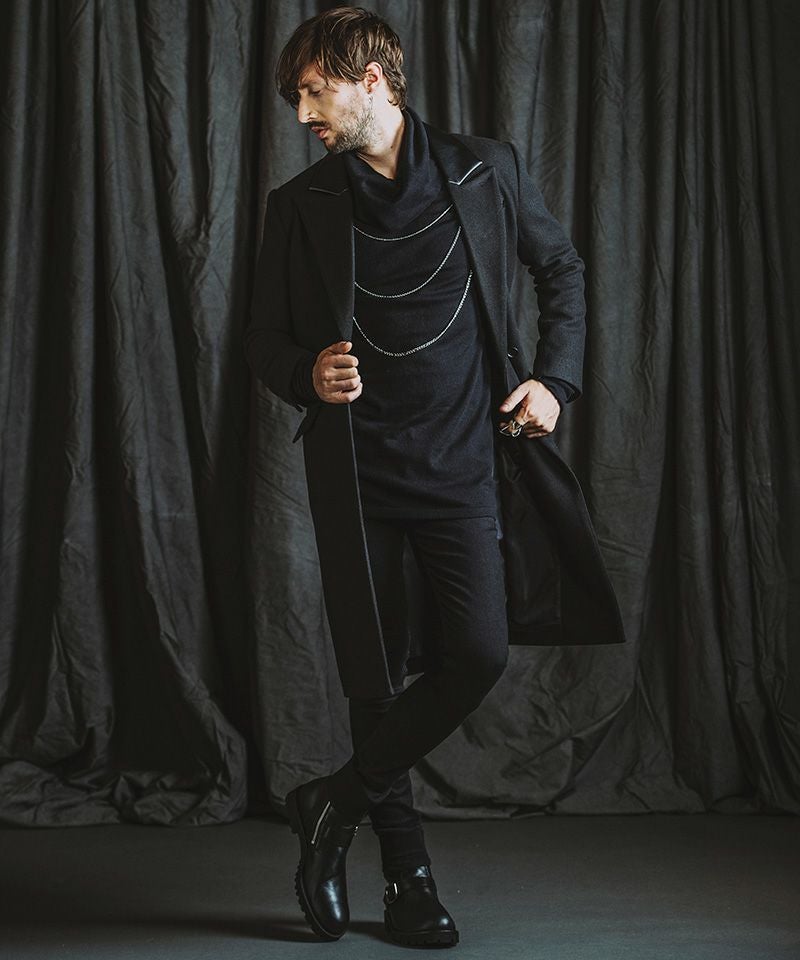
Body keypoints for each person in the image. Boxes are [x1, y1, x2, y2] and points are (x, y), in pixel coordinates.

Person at [244, 5, 625, 949]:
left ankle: (331, 804)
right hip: (358, 477)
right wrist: (305, 374)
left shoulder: (483, 169)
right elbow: (262, 339)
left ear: (372, 80)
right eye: (297, 99)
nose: (304, 115)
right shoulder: (301, 204)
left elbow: (561, 268)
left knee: (477, 656)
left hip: (463, 470)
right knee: (376, 683)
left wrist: (555, 381)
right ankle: (409, 881)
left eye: (315, 92)